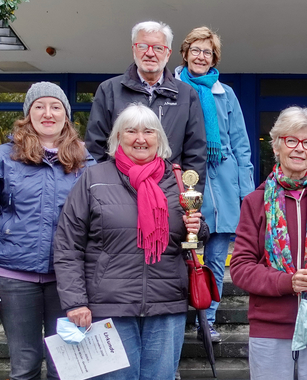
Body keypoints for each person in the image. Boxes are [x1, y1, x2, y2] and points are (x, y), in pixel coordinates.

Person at [53, 104, 208, 379]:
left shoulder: (177, 181)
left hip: (165, 305)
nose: (140, 138)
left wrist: (198, 228)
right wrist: (75, 302)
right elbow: (68, 244)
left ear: (159, 138)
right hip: (110, 307)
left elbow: (192, 236)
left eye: (148, 131)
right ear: (117, 138)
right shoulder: (93, 178)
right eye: (131, 131)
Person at [230, 107, 307, 379]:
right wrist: (287, 282)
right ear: (276, 145)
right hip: (270, 325)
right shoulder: (255, 202)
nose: (299, 149)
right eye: (291, 140)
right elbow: (240, 267)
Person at [0, 82, 94, 380]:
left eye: (55, 107)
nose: (47, 113)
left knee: (64, 368)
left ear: (66, 115)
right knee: (24, 366)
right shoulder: (5, 157)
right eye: (39, 106)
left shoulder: (86, 161)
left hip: (66, 281)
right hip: (15, 277)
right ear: (28, 114)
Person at [175, 26, 255, 342]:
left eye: (207, 51)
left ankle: (206, 321)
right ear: (185, 53)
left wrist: (246, 193)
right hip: (188, 186)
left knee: (216, 262)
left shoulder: (227, 94)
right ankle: (178, 319)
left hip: (223, 189)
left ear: (214, 58)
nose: (201, 56)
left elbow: (240, 144)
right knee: (185, 260)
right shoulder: (174, 89)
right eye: (195, 49)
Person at [85, 20, 207, 189]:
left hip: (169, 193)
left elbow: (196, 154)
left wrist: (189, 199)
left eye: (158, 48)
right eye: (143, 46)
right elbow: (95, 148)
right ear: (134, 49)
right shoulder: (109, 90)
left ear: (168, 53)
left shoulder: (187, 95)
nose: (150, 53)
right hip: (118, 191)